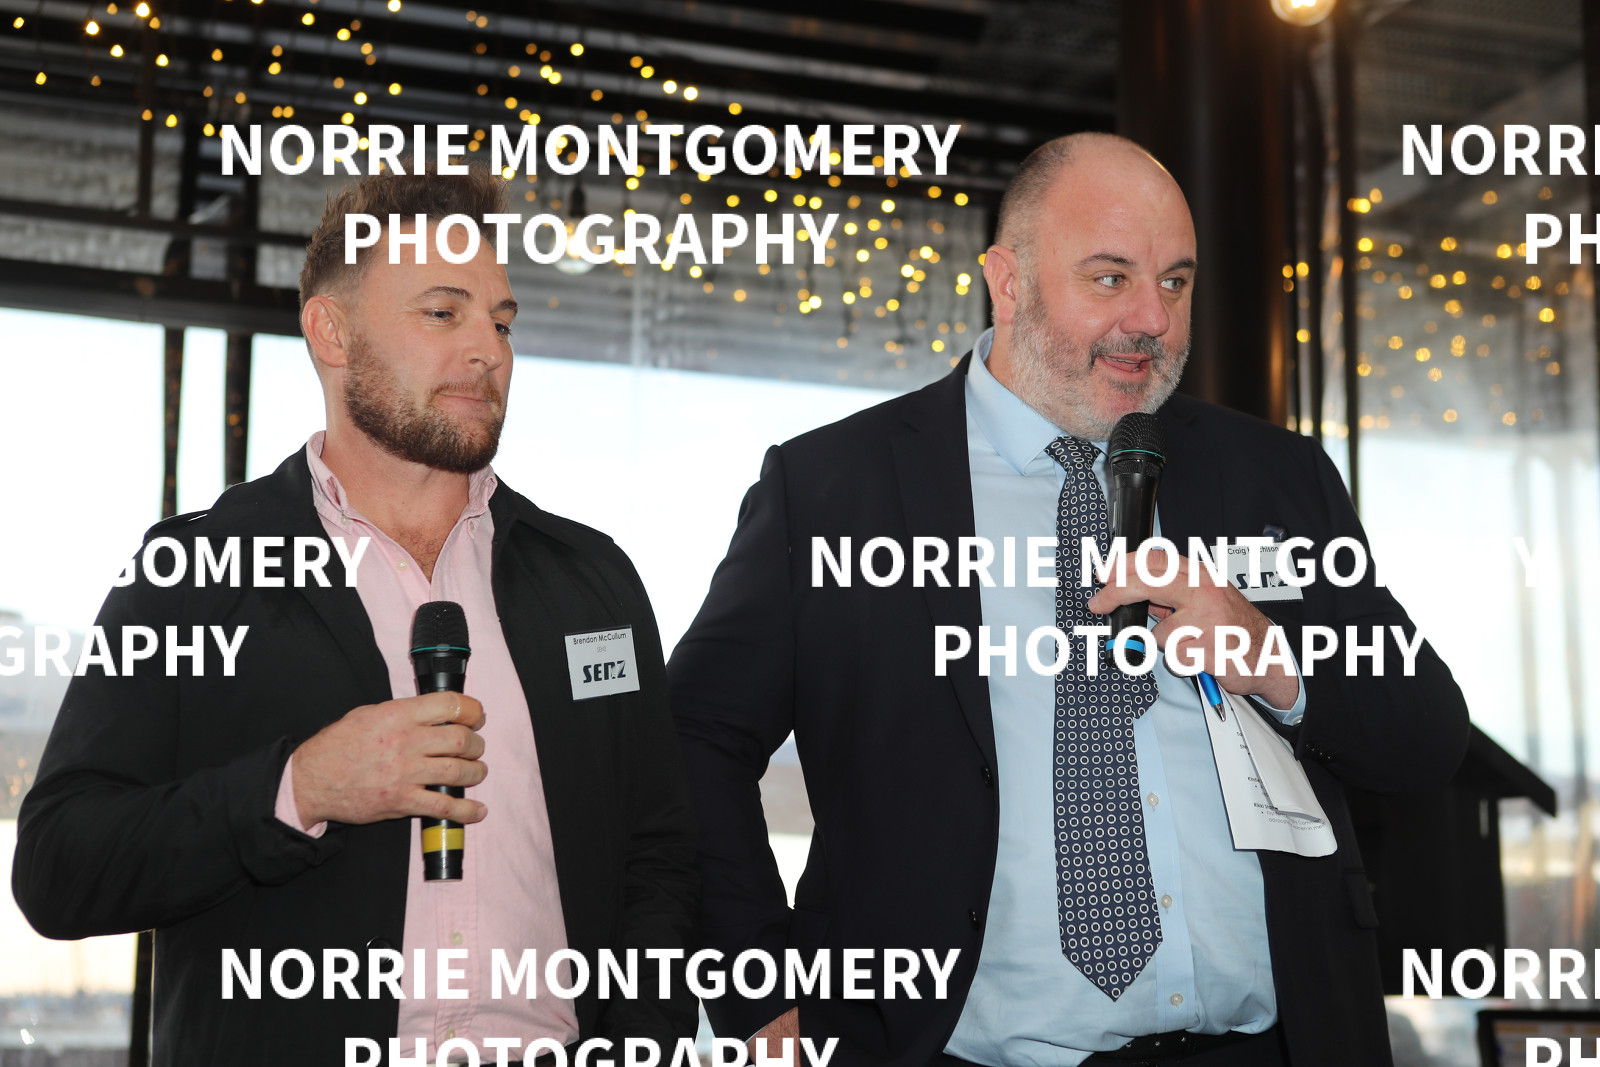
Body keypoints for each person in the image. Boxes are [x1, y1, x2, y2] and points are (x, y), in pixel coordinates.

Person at [667, 133, 1470, 1067]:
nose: (1153, 319)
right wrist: (758, 991)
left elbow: (1427, 735)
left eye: (1175, 282)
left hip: (1271, 1046)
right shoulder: (834, 489)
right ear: (1008, 283)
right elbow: (695, 735)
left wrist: (1276, 661)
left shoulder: (1276, 476)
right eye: (1110, 278)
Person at [12, 166, 699, 1064]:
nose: (488, 350)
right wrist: (299, 788)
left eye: (501, 322)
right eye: (443, 312)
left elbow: (660, 858)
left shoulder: (593, 584)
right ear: (331, 332)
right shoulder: (194, 575)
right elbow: (60, 868)